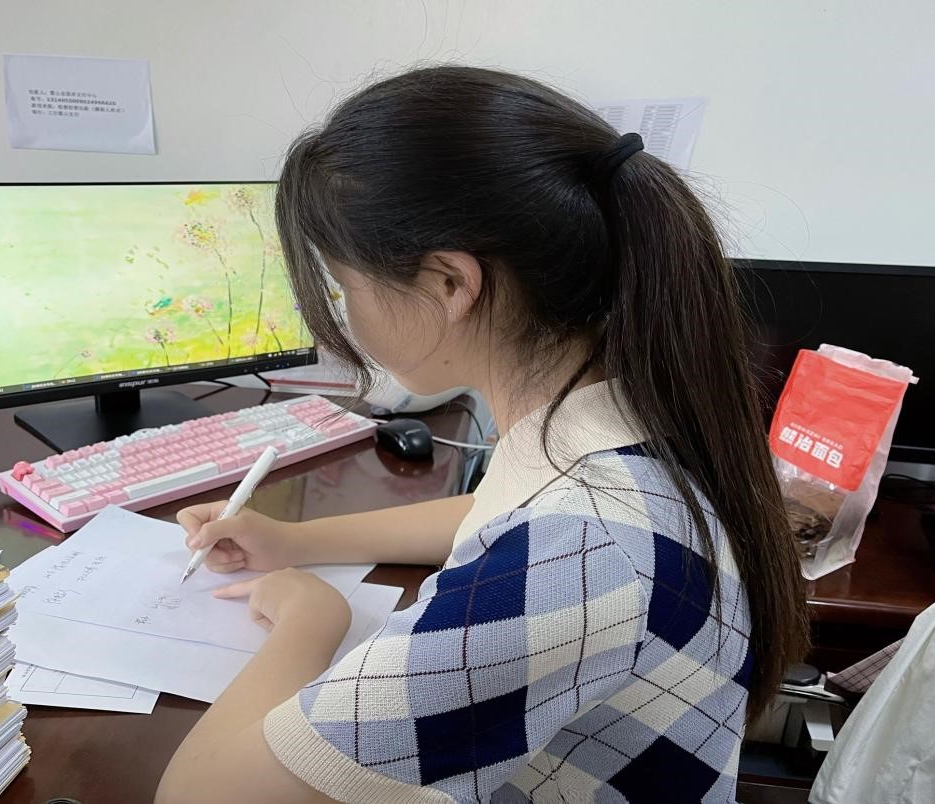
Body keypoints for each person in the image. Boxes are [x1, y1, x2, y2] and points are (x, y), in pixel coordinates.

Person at [157, 65, 807, 803]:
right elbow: (499, 512)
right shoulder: (620, 419)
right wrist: (293, 542)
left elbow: (198, 794)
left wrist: (309, 617)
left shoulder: (580, 554)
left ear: (449, 283)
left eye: (344, 286)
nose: (344, 314)